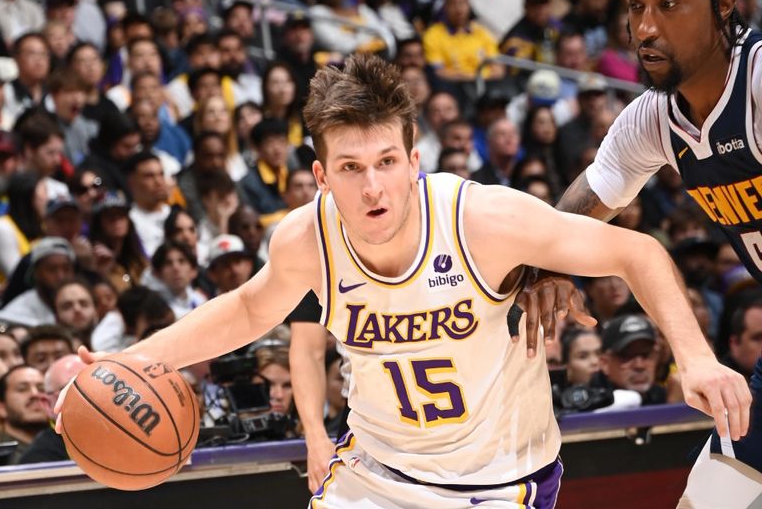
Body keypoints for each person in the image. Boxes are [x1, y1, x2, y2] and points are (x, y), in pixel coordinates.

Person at [57, 54, 747, 507]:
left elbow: (638, 252)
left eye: (387, 161)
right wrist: (128, 360)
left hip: (495, 485)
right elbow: (244, 310)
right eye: (351, 168)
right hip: (374, 475)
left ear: (414, 159)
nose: (374, 186)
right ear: (321, 176)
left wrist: (695, 357)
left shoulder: (483, 219)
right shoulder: (306, 236)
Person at [512, 0, 762, 509]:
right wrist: (549, 266)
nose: (645, 28)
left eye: (669, 5)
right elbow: (578, 210)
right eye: (636, 7)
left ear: (724, 6)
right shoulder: (654, 119)